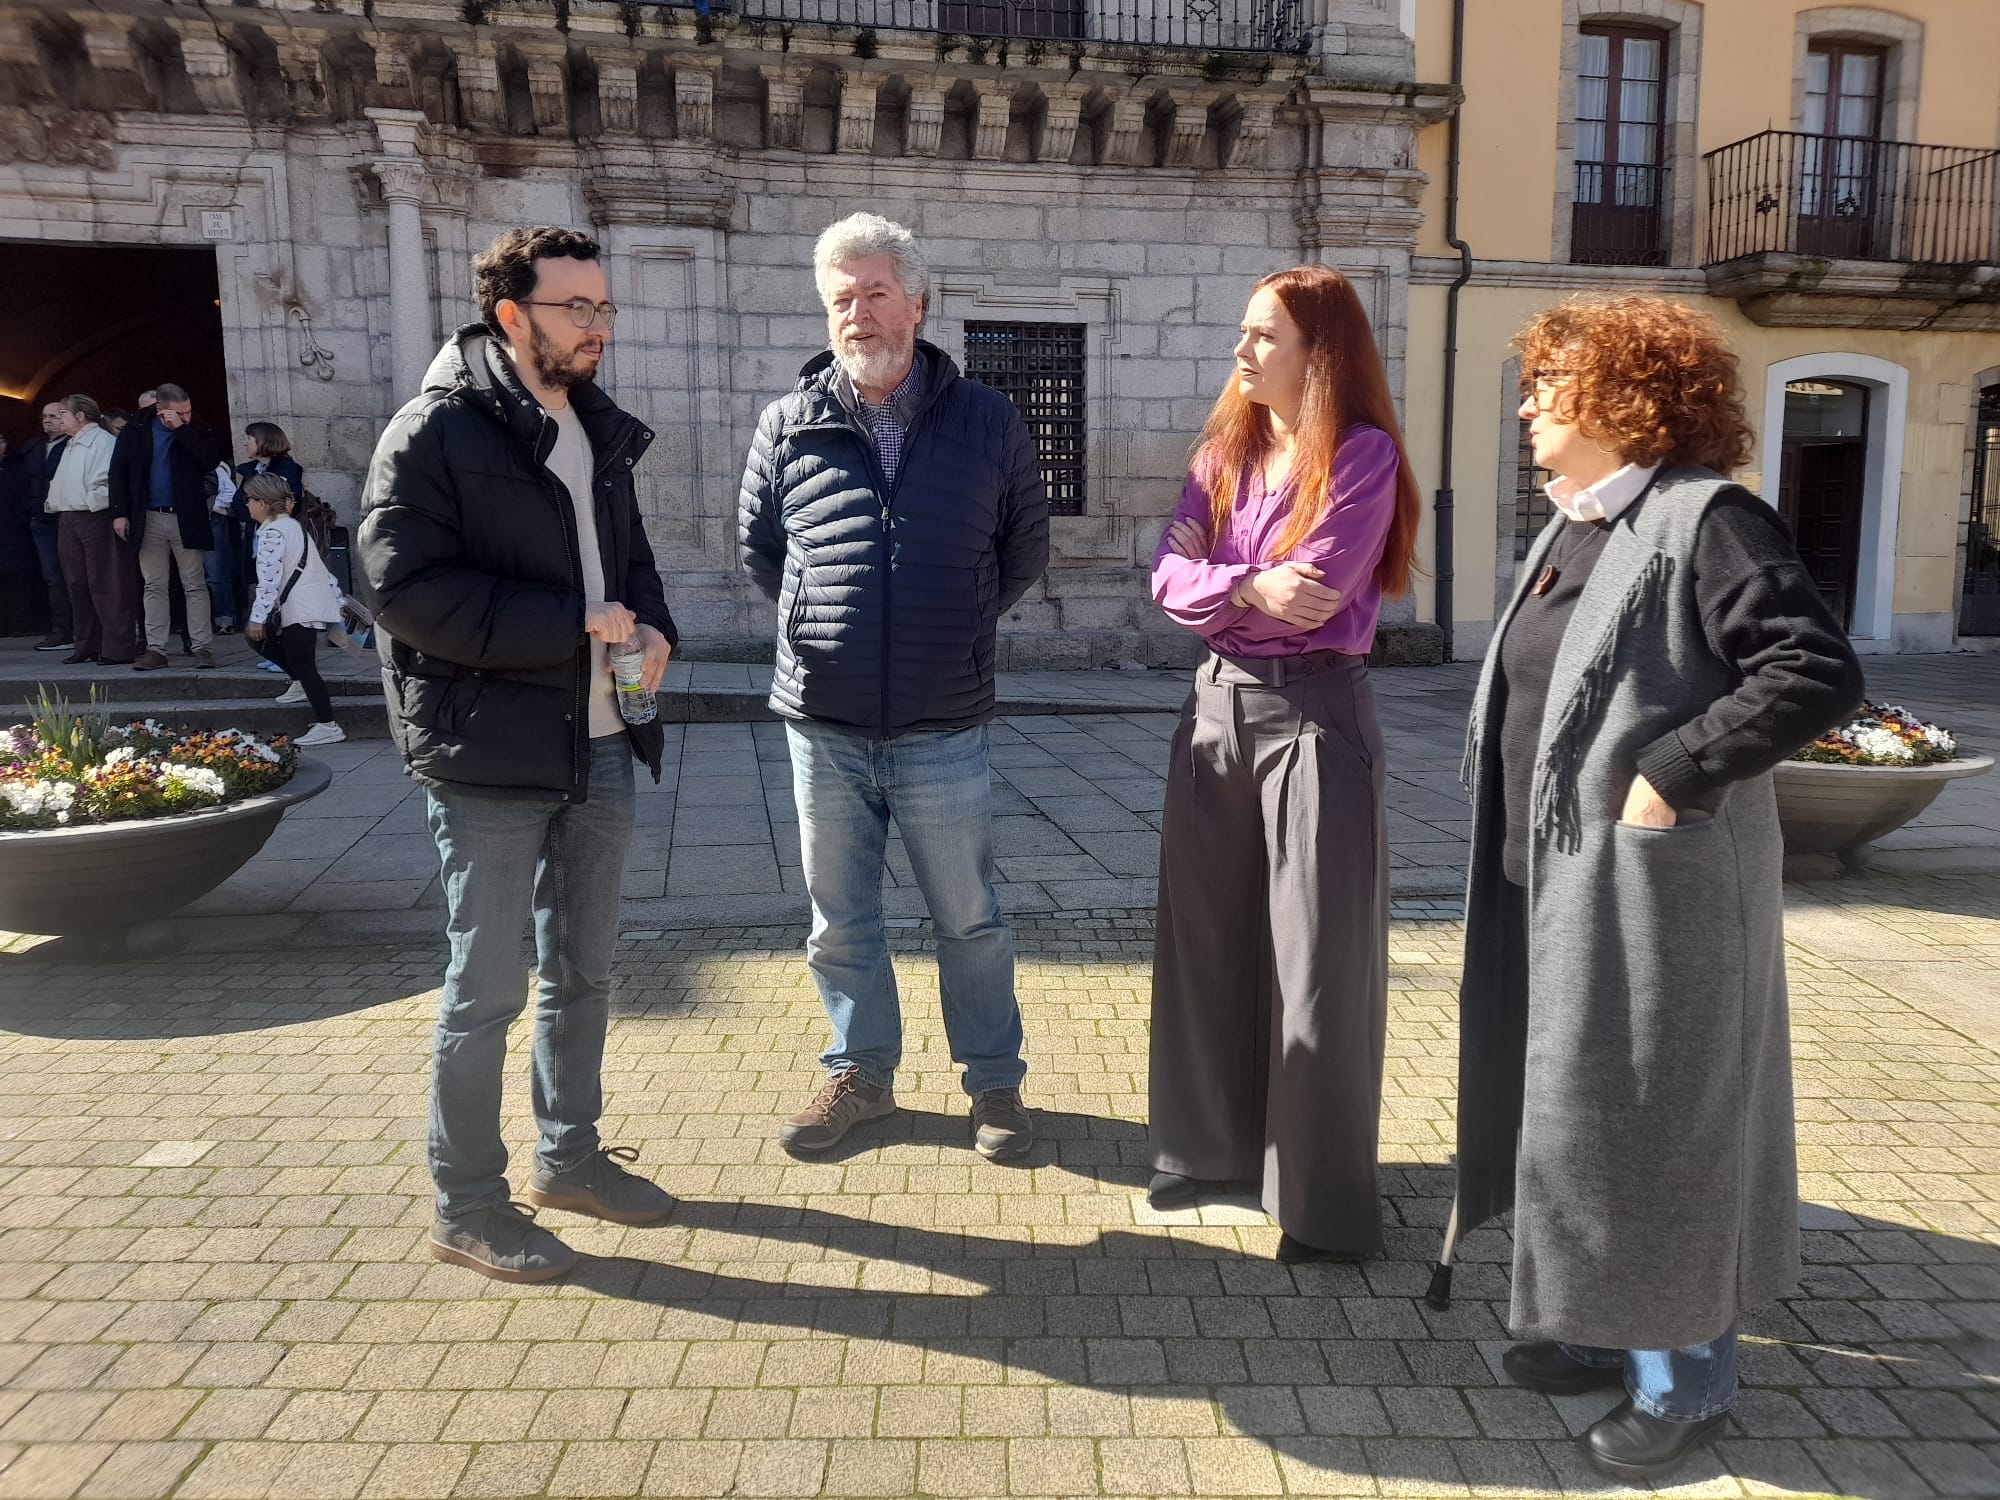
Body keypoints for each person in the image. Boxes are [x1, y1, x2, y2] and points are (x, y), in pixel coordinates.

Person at [1434, 295, 1864, 1480]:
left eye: (1547, 381)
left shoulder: (1706, 518)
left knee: (1658, 1123)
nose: (1524, 402)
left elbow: (1813, 669)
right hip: (1555, 880)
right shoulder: (1572, 524)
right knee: (1576, 1119)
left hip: (1649, 889)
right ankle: (1592, 1325)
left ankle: (1685, 1388)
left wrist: (1671, 773)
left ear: (1622, 394)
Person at [358, 224, 678, 1283]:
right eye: (575, 309)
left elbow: (626, 565)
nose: (597, 328)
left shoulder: (594, 426)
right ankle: (465, 1205)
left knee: (584, 973)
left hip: (600, 740)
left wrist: (656, 629)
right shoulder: (434, 432)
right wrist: (573, 623)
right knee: (486, 988)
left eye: (603, 307)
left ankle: (569, 1160)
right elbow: (402, 595)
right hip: (486, 754)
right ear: (511, 317)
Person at [738, 212, 1051, 1161]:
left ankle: (994, 1086)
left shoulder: (988, 420)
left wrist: (940, 627)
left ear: (917, 303)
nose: (858, 314)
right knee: (840, 920)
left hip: (942, 720)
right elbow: (762, 553)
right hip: (822, 723)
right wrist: (822, 628)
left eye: (876, 293)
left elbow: (1022, 552)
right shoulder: (788, 423)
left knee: (969, 918)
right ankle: (860, 1074)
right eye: (841, 298)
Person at [1145, 265, 1419, 1264]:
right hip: (1213, 708)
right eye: (1244, 332)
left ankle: (1319, 1203)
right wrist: (1246, 587)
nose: (1241, 351)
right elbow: (1165, 581)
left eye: (1263, 335)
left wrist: (1225, 582)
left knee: (1316, 965)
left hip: (1315, 716)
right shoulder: (1223, 454)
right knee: (1203, 934)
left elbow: (1320, 586)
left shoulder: (1361, 457)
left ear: (1319, 352)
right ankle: (1202, 1150)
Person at [110, 382, 223, 670]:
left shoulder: (195, 426)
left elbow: (208, 460)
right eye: (179, 412)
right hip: (148, 516)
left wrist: (181, 430)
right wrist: (119, 513)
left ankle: (202, 647)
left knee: (194, 584)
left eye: (187, 411)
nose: (186, 416)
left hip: (186, 516)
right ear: (160, 409)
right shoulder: (136, 429)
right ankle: (156, 648)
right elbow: (118, 472)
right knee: (154, 585)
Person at [242, 474, 345, 748]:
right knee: (296, 661)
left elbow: (268, 580)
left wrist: (258, 616)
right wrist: (337, 600)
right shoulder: (289, 526)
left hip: (301, 606)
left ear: (263, 503)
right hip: (306, 604)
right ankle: (300, 685)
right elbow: (318, 566)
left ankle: (328, 724)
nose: (247, 505)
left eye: (250, 499)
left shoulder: (272, 532)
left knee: (304, 666)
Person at [45, 395, 136, 666]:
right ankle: (86, 644)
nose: (59, 418)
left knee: (106, 583)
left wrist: (92, 502)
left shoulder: (104, 441)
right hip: (69, 518)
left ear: (81, 415)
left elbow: (110, 480)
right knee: (77, 583)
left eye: (63, 413)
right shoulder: (71, 444)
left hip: (94, 516)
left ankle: (117, 648)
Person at [236, 422, 309, 663]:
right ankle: (274, 651)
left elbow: (287, 504)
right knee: (264, 586)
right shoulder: (250, 470)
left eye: (250, 439)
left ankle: (287, 654)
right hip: (256, 539)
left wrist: (263, 510)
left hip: (279, 541)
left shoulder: (288, 469)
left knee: (281, 596)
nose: (245, 443)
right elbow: (238, 506)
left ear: (264, 441)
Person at [24, 404, 72, 651]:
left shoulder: (73, 445)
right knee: (52, 576)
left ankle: (83, 630)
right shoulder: (34, 447)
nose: (48, 421)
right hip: (40, 520)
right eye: (44, 416)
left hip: (65, 517)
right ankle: (61, 630)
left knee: (76, 575)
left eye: (54, 416)